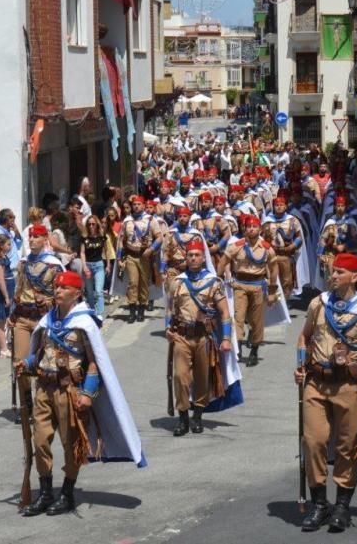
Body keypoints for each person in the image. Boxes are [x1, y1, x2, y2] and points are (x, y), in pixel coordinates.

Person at [15, 270, 145, 516]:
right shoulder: (48, 320)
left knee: (70, 443)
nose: (58, 291)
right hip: (43, 386)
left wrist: (87, 393)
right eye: (56, 287)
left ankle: (66, 492)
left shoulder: (85, 323)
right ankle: (44, 492)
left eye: (63, 288)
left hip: (69, 389)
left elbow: (95, 362)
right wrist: (27, 363)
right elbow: (40, 352)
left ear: (76, 294)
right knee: (40, 440)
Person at [294, 253, 357, 532]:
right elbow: (303, 337)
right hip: (316, 383)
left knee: (347, 446)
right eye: (332, 272)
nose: (333, 276)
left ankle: (342, 505)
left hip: (348, 386)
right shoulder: (318, 304)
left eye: (340, 272)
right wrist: (300, 365)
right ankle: (319, 503)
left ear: (354, 277)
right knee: (313, 441)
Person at [164, 239, 239, 436]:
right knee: (180, 376)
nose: (193, 258)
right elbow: (170, 310)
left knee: (202, 377)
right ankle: (182, 417)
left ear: (203, 258)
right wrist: (167, 329)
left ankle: (197, 414)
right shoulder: (177, 282)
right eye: (190, 255)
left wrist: (225, 339)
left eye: (197, 255)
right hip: (181, 336)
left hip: (204, 337)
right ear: (186, 258)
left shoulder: (214, 282)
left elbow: (224, 313)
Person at [10, 225, 63, 399]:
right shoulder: (24, 263)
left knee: (44, 361)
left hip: (44, 319)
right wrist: (13, 314)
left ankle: (43, 399)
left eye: (37, 237)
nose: (32, 240)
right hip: (24, 318)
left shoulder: (53, 264)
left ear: (44, 239)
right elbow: (19, 289)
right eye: (31, 237)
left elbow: (61, 294)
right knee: (20, 362)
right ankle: (26, 403)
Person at [219, 215, 279, 367]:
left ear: (259, 229)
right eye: (248, 227)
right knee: (238, 317)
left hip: (258, 285)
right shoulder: (237, 245)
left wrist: (272, 291)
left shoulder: (266, 248)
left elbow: (273, 268)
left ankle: (254, 350)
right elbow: (224, 261)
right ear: (245, 229)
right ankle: (238, 346)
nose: (251, 229)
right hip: (240, 285)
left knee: (256, 320)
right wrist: (217, 280)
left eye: (254, 227)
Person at [117, 195, 156, 323]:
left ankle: (141, 310)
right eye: (134, 205)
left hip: (145, 256)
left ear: (144, 206)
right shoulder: (127, 221)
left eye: (139, 204)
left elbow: (160, 237)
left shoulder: (150, 220)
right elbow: (121, 241)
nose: (136, 206)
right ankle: (132, 311)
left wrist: (151, 249)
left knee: (143, 284)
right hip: (131, 255)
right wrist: (119, 258)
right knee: (133, 283)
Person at [80, 215, 107, 318]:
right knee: (90, 293)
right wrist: (84, 266)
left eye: (93, 224)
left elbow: (106, 251)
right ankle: (92, 312)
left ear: (97, 225)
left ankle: (99, 314)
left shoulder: (102, 236)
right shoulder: (84, 237)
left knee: (99, 291)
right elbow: (82, 253)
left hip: (99, 265)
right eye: (89, 224)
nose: (91, 226)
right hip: (88, 265)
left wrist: (108, 264)